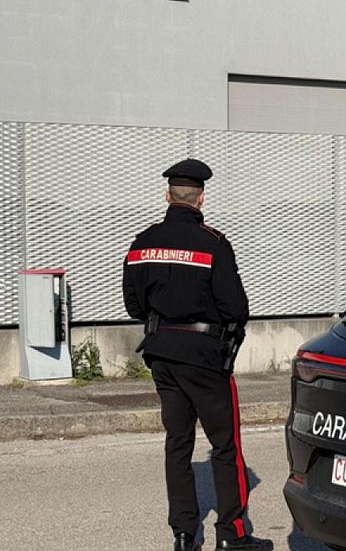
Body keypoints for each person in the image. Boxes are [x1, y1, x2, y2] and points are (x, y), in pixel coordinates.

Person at [122, 158, 273, 551]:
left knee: (178, 444)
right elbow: (236, 308)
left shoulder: (142, 243)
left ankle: (184, 535)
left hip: (162, 355)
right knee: (225, 446)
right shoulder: (213, 243)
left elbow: (134, 306)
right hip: (206, 358)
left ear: (167, 196)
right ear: (201, 198)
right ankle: (232, 535)